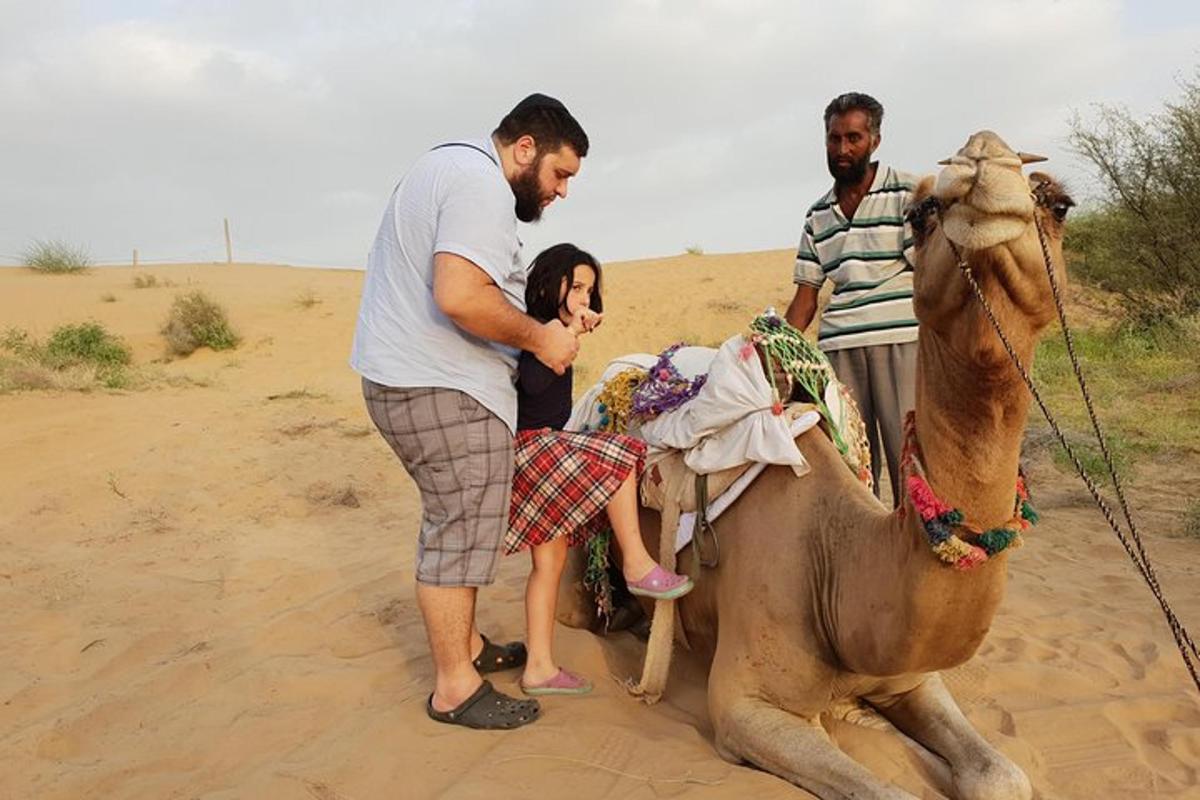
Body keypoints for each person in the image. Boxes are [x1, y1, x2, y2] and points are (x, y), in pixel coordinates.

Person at [350, 93, 587, 730]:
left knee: (459, 520)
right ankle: (455, 685)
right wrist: (541, 339)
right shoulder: (478, 183)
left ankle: (471, 648)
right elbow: (459, 294)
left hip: (417, 378)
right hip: (439, 384)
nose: (562, 191)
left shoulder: (450, 169)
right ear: (525, 148)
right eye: (561, 174)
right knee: (458, 529)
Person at [506, 243, 694, 696]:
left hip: (543, 449)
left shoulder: (551, 330)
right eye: (578, 287)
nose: (585, 297)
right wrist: (566, 330)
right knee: (622, 454)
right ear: (553, 283)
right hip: (536, 448)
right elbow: (531, 382)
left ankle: (539, 668)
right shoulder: (538, 331)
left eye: (591, 290)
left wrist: (570, 330)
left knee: (548, 566)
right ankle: (634, 562)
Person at [784, 92, 918, 506]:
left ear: (875, 140)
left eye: (853, 138)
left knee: (910, 459)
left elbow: (930, 274)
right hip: (839, 350)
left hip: (901, 342)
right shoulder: (818, 213)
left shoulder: (908, 194)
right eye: (834, 138)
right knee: (852, 465)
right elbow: (806, 297)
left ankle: (915, 557)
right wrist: (771, 350)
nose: (843, 149)